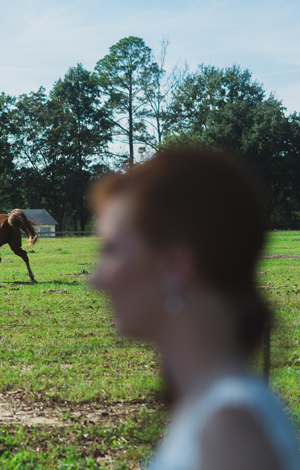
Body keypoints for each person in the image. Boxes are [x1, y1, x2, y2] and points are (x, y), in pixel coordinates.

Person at [90, 147, 300, 470]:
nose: (97, 279)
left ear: (175, 265)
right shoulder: (214, 408)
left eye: (112, 249)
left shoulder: (229, 432)